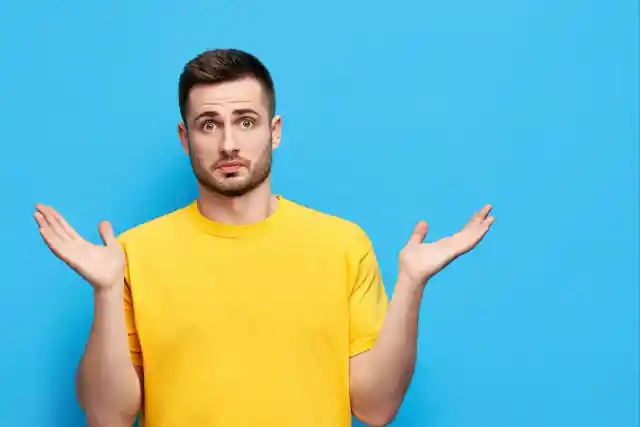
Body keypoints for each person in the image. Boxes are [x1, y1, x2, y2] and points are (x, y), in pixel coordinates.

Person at [34, 48, 495, 427]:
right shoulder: (132, 254)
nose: (228, 143)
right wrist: (106, 289)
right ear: (185, 138)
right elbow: (106, 417)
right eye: (209, 124)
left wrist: (411, 286)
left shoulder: (342, 244)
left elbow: (375, 408)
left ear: (274, 132)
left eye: (246, 121)